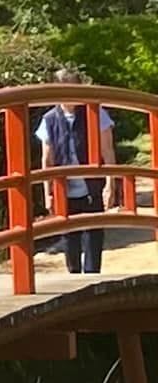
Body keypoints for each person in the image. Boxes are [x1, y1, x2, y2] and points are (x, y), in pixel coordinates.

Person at [36, 68, 118, 274]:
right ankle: (74, 278)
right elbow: (47, 160)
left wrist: (110, 185)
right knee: (69, 241)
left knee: (93, 239)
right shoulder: (50, 119)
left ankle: (91, 281)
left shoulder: (96, 113)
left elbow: (107, 151)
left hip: (91, 187)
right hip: (65, 189)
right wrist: (48, 193)